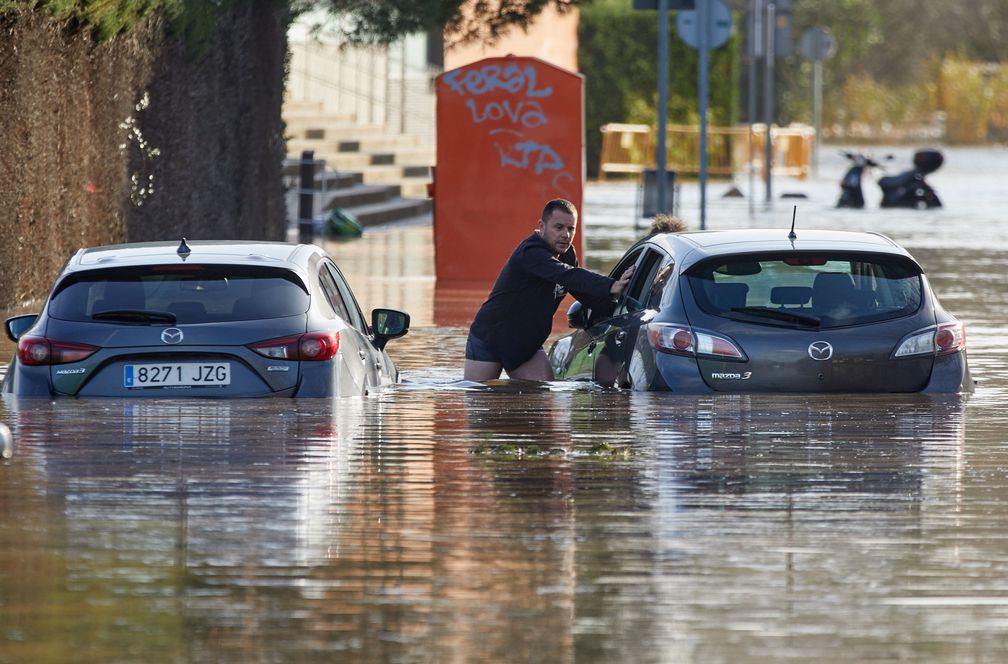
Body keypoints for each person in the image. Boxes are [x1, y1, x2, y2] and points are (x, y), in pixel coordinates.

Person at [463, 198, 635, 381]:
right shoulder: (530, 253)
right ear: (542, 226)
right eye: (558, 227)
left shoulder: (567, 254)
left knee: (542, 399)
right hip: (490, 338)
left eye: (571, 229)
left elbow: (585, 293)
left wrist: (622, 304)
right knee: (480, 400)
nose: (566, 235)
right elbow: (567, 275)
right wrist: (611, 285)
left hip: (525, 346)